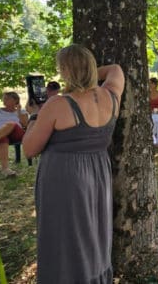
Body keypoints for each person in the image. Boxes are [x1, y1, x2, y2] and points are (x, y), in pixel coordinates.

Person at [22, 44, 124, 283]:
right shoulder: (112, 94)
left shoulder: (57, 104)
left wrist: (35, 115)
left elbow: (29, 149)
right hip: (98, 171)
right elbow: (115, 69)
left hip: (65, 177)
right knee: (94, 231)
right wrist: (87, 72)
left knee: (66, 234)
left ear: (65, 71)